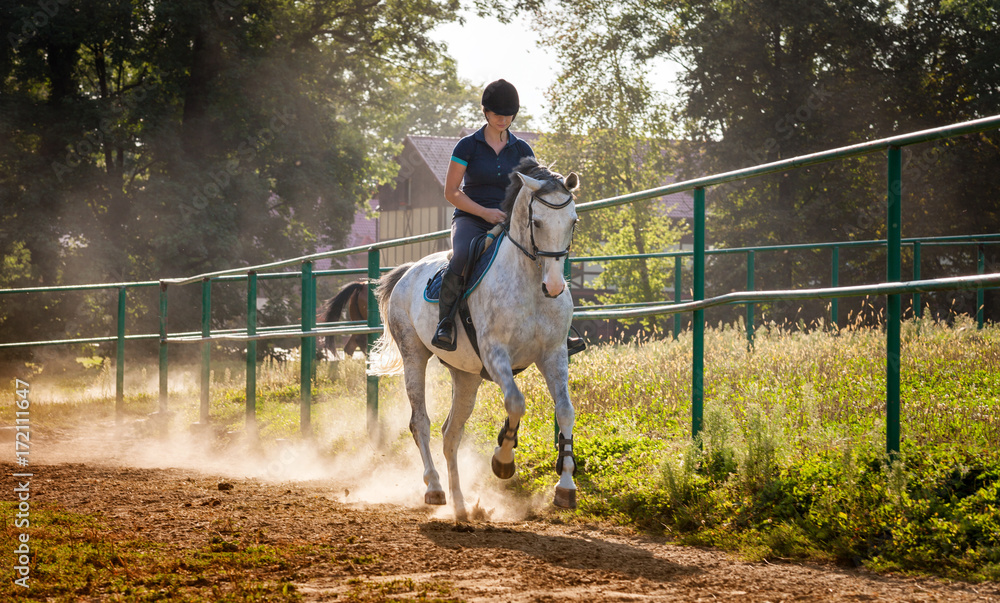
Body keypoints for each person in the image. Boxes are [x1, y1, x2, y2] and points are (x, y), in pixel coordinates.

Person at [432, 79, 535, 351]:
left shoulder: (523, 150)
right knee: (464, 254)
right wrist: (484, 212)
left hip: (512, 221)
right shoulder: (468, 146)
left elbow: (533, 189)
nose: (503, 119)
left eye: (508, 115)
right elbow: (451, 192)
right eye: (497, 114)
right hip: (471, 217)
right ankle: (445, 323)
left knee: (543, 252)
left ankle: (556, 323)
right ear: (485, 112)